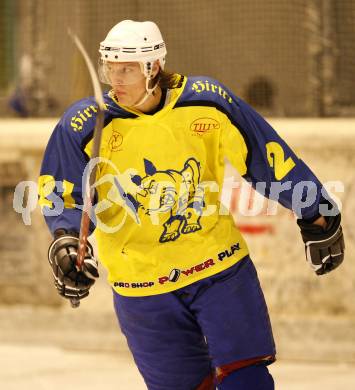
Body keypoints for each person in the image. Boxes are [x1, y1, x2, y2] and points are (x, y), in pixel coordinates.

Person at [39, 20, 345, 390]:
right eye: (109, 68)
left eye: (126, 70)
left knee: (247, 381)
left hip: (219, 270)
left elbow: (268, 156)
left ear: (153, 67)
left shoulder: (207, 100)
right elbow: (61, 193)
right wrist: (66, 242)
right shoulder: (84, 124)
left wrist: (316, 211)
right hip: (141, 286)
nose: (114, 80)